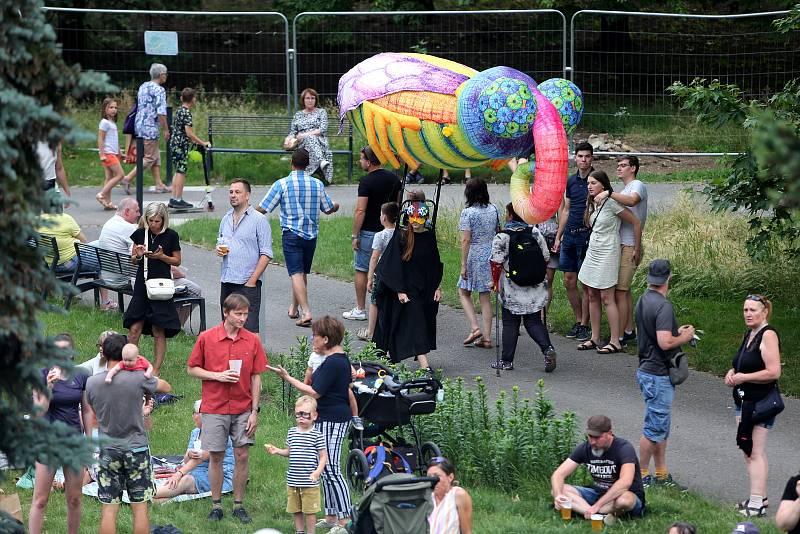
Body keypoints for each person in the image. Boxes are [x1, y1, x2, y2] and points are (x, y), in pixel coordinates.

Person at [187, 293, 268, 524]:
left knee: (242, 454)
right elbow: (192, 369)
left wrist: (255, 411)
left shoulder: (252, 340)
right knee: (216, 456)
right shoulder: (207, 338)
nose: (243, 318)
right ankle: (216, 505)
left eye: (245, 314)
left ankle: (239, 505)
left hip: (243, 407)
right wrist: (217, 375)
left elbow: (256, 377)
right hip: (214, 406)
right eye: (238, 314)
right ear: (226, 312)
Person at [267, 316, 354, 530]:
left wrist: (287, 377)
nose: (312, 339)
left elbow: (314, 392)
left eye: (314, 335)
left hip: (334, 418)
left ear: (325, 339)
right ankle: (332, 516)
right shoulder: (336, 359)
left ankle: (346, 520)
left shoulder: (334, 362)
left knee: (332, 468)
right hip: (329, 417)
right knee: (324, 469)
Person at [85, 335, 159, 534]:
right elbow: (165, 386)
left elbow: (94, 413)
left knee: (109, 509)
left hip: (108, 450)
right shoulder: (138, 379)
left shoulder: (92, 383)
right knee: (140, 507)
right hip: (136, 448)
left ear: (104, 353)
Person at [257, 149, 339, 327]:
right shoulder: (317, 184)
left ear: (291, 163)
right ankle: (294, 307)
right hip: (311, 235)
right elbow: (327, 208)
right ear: (308, 164)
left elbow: (264, 207)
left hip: (291, 233)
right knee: (301, 273)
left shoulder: (282, 184)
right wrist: (336, 207)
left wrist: (246, 212)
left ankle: (306, 311)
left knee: (295, 273)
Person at [635, 259, 694, 488]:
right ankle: (642, 476)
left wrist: (674, 331)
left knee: (661, 425)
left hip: (646, 370)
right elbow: (665, 341)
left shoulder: (643, 300)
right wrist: (684, 338)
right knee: (653, 428)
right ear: (668, 278)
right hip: (658, 373)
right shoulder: (663, 305)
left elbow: (653, 333)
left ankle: (661, 474)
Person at [29, 333, 95, 534]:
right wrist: (50, 385)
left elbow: (86, 410)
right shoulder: (40, 375)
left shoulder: (81, 375)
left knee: (74, 498)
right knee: (40, 499)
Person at [725, 294, 781, 517]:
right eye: (745, 310)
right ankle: (760, 497)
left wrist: (743, 378)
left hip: (761, 403)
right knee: (750, 450)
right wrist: (733, 372)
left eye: (753, 310)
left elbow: (774, 372)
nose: (748, 314)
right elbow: (741, 363)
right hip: (744, 401)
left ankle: (756, 505)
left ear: (764, 312)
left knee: (753, 452)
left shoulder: (767, 335)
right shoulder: (750, 334)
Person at [373, 190, 443, 370]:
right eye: (414, 221)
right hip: (407, 288)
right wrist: (399, 290)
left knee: (413, 322)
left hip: (425, 288)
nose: (418, 225)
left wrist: (437, 287)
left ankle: (390, 353)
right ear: (409, 219)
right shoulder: (402, 236)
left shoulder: (429, 236)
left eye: (421, 221)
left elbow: (435, 263)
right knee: (416, 323)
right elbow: (391, 265)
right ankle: (424, 366)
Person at [576, 170, 641, 354]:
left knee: (607, 296)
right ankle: (594, 337)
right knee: (590, 292)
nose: (589, 186)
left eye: (594, 183)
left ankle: (615, 340)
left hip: (607, 250)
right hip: (594, 248)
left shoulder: (612, 203)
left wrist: (636, 247)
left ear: (603, 185)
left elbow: (635, 222)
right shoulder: (593, 204)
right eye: (588, 183)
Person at [489, 203, 557, 372]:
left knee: (510, 323)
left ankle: (507, 361)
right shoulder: (534, 232)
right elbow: (546, 257)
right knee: (533, 321)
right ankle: (548, 349)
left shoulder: (502, 237)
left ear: (510, 215)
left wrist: (495, 282)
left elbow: (496, 263)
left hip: (512, 288)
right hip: (534, 286)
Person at [551, 415, 646, 526]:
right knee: (558, 489)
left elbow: (625, 482)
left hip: (625, 498)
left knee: (624, 499)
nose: (592, 442)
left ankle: (592, 511)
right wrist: (558, 496)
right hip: (598, 494)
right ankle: (596, 515)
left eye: (597, 437)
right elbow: (558, 474)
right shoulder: (585, 448)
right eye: (590, 436)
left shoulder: (624, 448)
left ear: (610, 433)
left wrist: (597, 506)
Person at [344, 146, 401, 323]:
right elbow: (397, 204)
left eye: (362, 159)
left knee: (362, 268)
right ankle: (386, 307)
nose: (360, 162)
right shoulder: (394, 178)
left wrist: (355, 235)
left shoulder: (366, 182)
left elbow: (361, 210)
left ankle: (361, 308)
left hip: (369, 231)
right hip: (390, 229)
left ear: (369, 161)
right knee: (389, 268)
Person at [124, 201, 182, 376]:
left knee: (159, 329)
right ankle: (130, 365)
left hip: (161, 284)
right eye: (150, 220)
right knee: (134, 328)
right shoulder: (141, 234)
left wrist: (162, 256)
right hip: (143, 283)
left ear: (164, 220)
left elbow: (177, 260)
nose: (154, 224)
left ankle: (155, 370)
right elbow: (133, 260)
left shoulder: (171, 236)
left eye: (157, 221)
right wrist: (139, 255)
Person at [597, 155, 648, 346]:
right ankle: (628, 330)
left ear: (633, 168)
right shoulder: (624, 189)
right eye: (618, 166)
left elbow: (633, 201)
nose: (619, 169)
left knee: (620, 290)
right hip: (620, 243)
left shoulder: (637, 185)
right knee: (623, 291)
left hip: (630, 245)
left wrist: (609, 193)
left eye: (624, 165)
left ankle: (619, 336)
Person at [265, 395, 328, 534]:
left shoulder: (317, 435)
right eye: (298, 414)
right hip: (293, 480)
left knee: (310, 511)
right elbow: (289, 452)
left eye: (305, 414)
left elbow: (323, 457)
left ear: (314, 415)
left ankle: (311, 532)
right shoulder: (292, 432)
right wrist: (277, 451)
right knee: (296, 509)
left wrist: (317, 472)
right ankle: (300, 531)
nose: (301, 417)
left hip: (310, 481)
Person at [217, 179, 273, 333]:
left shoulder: (259, 220)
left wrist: (252, 280)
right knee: (227, 327)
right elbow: (221, 242)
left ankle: (255, 358)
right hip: (227, 279)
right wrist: (219, 250)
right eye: (231, 192)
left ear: (247, 195)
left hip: (247, 282)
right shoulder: (225, 219)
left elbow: (266, 253)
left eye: (237, 192)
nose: (233, 195)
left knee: (250, 329)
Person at [155, 400, 235, 500]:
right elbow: (186, 461)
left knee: (185, 480)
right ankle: (155, 499)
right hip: (197, 471)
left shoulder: (218, 433)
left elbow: (203, 456)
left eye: (195, 413)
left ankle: (147, 495)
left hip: (219, 475)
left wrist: (179, 473)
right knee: (181, 481)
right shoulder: (196, 432)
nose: (193, 416)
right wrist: (189, 454)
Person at [553, 141, 593, 342]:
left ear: (591, 158)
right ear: (575, 158)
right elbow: (566, 209)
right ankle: (578, 320)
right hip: (570, 234)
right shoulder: (570, 181)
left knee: (586, 283)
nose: (583, 160)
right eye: (580, 156)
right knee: (569, 280)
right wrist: (559, 236)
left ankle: (586, 324)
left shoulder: (596, 180)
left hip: (587, 236)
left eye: (587, 156)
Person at [458, 178, 498, 349]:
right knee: (485, 296)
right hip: (491, 252)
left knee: (463, 291)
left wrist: (463, 264)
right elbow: (498, 230)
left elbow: (466, 239)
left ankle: (475, 327)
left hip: (475, 254)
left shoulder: (468, 213)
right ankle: (487, 337)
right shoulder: (493, 209)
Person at [125, 63, 170, 194]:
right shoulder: (159, 90)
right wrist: (166, 129)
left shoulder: (143, 86)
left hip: (139, 125)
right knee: (150, 157)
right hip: (150, 127)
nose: (166, 76)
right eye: (166, 74)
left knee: (155, 154)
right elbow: (161, 111)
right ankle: (127, 178)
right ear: (161, 75)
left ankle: (159, 184)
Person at [358, 201, 398, 341]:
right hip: (396, 273)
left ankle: (371, 331)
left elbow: (374, 257)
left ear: (384, 217)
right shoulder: (401, 233)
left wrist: (369, 278)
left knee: (375, 301)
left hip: (381, 273)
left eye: (381, 214)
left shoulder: (380, 235)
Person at [168, 87, 211, 209]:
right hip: (181, 145)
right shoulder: (187, 113)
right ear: (193, 99)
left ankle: (173, 198)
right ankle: (178, 199)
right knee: (181, 171)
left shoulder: (179, 110)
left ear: (182, 98)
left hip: (174, 143)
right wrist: (203, 143)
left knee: (177, 171)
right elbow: (189, 133)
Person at [286, 88, 333, 184]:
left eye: (313, 98)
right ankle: (321, 163)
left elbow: (322, 129)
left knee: (310, 137)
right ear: (303, 100)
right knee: (308, 139)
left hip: (319, 141)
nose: (310, 100)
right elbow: (293, 132)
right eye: (307, 98)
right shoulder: (298, 115)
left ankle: (315, 167)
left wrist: (304, 135)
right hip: (302, 144)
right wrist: (288, 140)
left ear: (316, 100)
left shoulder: (321, 112)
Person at [427, 457, 473, 534]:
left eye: (436, 476)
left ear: (450, 477)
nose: (432, 481)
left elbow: (467, 532)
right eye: (429, 477)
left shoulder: (458, 495)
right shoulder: (427, 497)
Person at [96, 97, 124, 210]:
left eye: (115, 107)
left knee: (109, 177)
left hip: (112, 153)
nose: (114, 110)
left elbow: (114, 140)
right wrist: (102, 154)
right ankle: (101, 194)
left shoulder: (112, 123)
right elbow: (100, 139)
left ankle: (108, 202)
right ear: (105, 109)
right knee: (120, 175)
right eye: (111, 107)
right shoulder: (104, 122)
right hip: (107, 154)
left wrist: (120, 152)